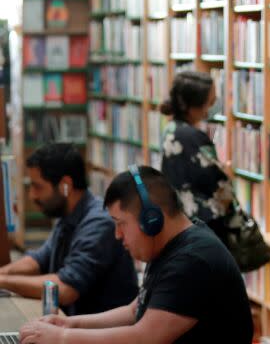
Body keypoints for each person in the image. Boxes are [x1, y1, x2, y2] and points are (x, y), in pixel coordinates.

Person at [19, 166, 253, 344]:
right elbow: (135, 311)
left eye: (121, 224)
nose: (118, 235)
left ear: (152, 219)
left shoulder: (193, 260)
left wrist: (62, 337)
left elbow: (145, 336)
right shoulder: (170, 246)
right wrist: (69, 322)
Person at [0, 143, 136, 315]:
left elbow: (65, 289)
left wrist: (2, 281)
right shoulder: (69, 215)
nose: (32, 195)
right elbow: (39, 260)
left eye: (38, 186)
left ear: (65, 185)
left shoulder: (99, 223)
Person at [159, 71, 232, 243]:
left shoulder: (171, 130)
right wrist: (227, 173)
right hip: (201, 226)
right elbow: (218, 185)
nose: (213, 107)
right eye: (210, 102)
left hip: (179, 222)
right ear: (194, 106)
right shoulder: (192, 137)